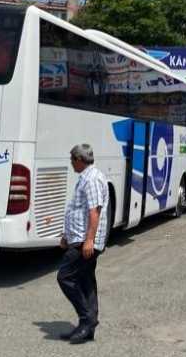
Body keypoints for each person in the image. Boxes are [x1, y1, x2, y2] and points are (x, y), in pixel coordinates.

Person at [57, 144, 110, 344]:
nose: (71, 163)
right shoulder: (86, 177)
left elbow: (93, 212)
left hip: (85, 241)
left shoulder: (92, 179)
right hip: (78, 238)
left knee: (65, 277)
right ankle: (88, 326)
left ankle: (87, 320)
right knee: (86, 280)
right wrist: (66, 235)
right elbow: (77, 210)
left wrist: (89, 240)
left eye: (72, 159)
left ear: (79, 159)